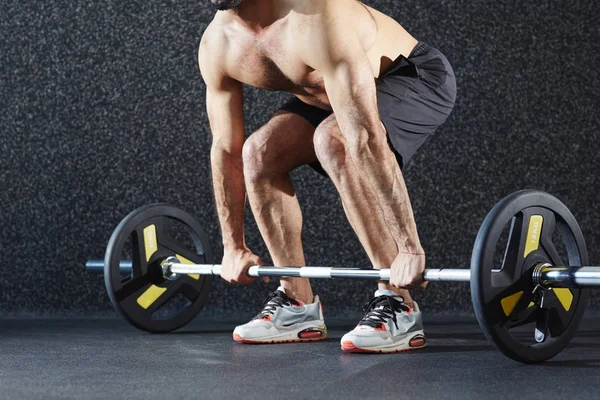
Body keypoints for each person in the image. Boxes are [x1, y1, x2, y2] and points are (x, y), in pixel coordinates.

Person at [199, 0, 456, 353]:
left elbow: (363, 138)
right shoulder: (218, 44)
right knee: (258, 154)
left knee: (334, 141)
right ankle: (296, 302)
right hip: (329, 97)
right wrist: (233, 247)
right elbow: (226, 150)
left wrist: (409, 248)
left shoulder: (315, 17)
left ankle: (399, 304)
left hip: (411, 75)